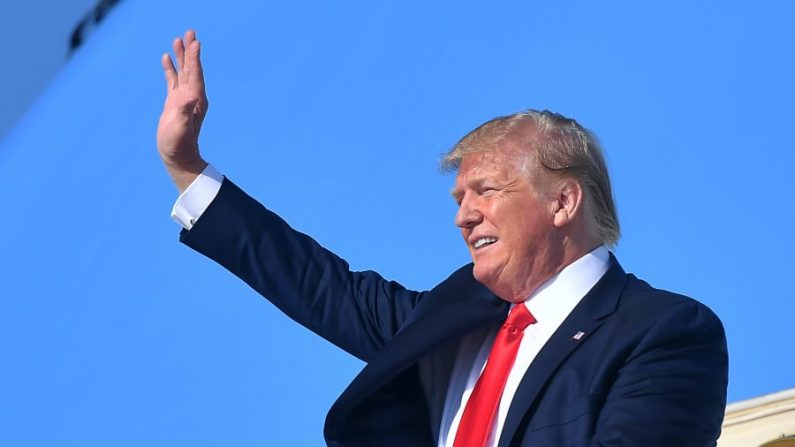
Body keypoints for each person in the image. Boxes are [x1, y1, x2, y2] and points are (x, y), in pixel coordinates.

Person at [157, 30, 729, 446]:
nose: (464, 217)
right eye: (459, 201)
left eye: (485, 191)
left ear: (562, 202)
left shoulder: (664, 331)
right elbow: (319, 284)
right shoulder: (451, 319)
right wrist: (187, 166)